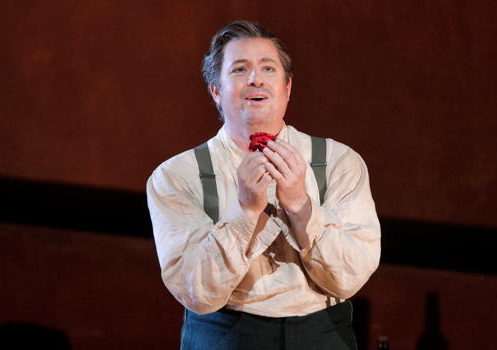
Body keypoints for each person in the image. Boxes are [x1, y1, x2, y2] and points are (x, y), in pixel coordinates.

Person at [147, 20, 380, 350]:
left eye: (268, 68)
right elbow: (194, 291)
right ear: (216, 91)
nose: (256, 78)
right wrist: (244, 213)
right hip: (225, 333)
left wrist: (300, 205)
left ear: (287, 88)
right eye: (240, 69)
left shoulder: (338, 161)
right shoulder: (176, 175)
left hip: (322, 333)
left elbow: (351, 276)